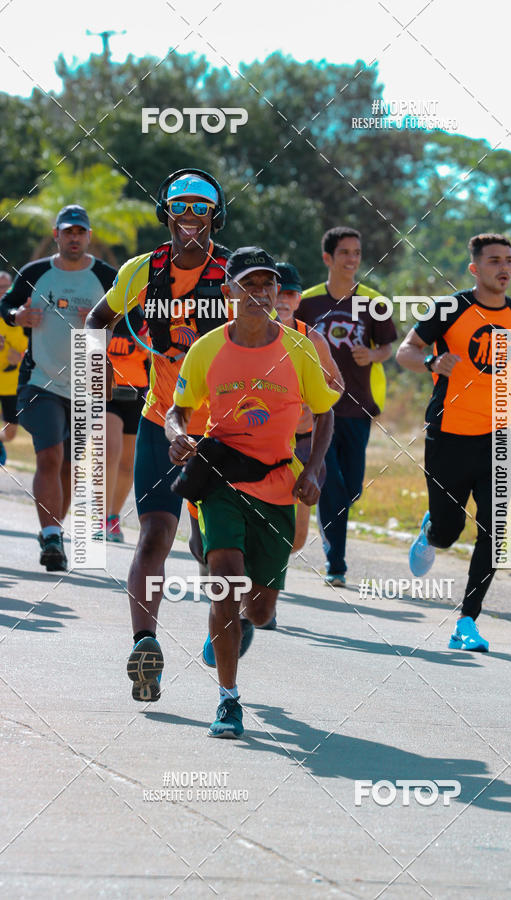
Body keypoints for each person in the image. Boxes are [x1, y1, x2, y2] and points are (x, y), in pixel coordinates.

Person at [166, 246, 339, 738]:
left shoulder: (298, 348)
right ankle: (227, 699)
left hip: (279, 484)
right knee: (224, 582)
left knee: (260, 610)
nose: (260, 294)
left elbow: (325, 413)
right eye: (250, 285)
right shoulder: (206, 349)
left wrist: (315, 471)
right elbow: (178, 409)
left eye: (268, 286)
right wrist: (175, 434)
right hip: (220, 480)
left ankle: (238, 623)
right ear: (228, 293)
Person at [85, 168, 231, 702]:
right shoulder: (141, 272)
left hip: (221, 434)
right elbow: (97, 321)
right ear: (165, 213)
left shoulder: (233, 277)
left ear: (215, 215)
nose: (189, 217)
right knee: (153, 537)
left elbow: (262, 344)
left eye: (201, 208)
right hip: (158, 421)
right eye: (180, 207)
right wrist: (100, 369)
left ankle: (226, 624)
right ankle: (144, 644)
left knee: (210, 548)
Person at [396, 233, 511, 652]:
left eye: (509, 260)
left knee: (498, 530)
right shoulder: (450, 309)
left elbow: (510, 375)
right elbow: (405, 352)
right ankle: (432, 530)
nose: (503, 268)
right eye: (493, 261)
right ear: (474, 268)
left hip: (499, 438)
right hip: (449, 436)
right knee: (450, 531)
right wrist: (431, 360)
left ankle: (467, 621)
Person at [0, 206, 116, 571]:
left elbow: (136, 316)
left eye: (80, 232)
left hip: (86, 385)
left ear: (89, 236)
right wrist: (17, 317)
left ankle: (55, 530)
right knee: (49, 454)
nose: (74, 238)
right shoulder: (36, 273)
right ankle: (51, 536)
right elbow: (5, 304)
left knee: (68, 462)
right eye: (68, 232)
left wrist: (102, 320)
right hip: (40, 380)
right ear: (57, 235)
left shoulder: (105, 276)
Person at [297, 226, 397, 586]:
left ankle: (332, 548)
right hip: (320, 409)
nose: (352, 259)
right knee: (332, 484)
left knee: (351, 487)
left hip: (358, 408)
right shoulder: (306, 302)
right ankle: (335, 564)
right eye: (345, 253)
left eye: (357, 252)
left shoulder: (373, 302)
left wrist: (372, 353)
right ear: (328, 258)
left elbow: (389, 347)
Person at [274, 261, 344, 556]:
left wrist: (313, 404)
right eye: (276, 292)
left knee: (296, 540)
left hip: (302, 446)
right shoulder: (247, 336)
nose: (282, 300)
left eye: (290, 293)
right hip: (259, 442)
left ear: (299, 298)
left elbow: (337, 384)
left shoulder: (312, 338)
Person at [104, 308, 150, 542]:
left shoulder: (145, 315)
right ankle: (101, 517)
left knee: (127, 463)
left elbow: (159, 357)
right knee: (111, 450)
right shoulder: (103, 311)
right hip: (106, 394)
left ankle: (113, 517)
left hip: (136, 395)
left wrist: (146, 343)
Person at [0, 271, 27, 466]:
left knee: (10, 433)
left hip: (12, 384)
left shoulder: (20, 316)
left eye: (6, 288)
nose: (3, 291)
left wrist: (21, 356)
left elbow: (36, 346)